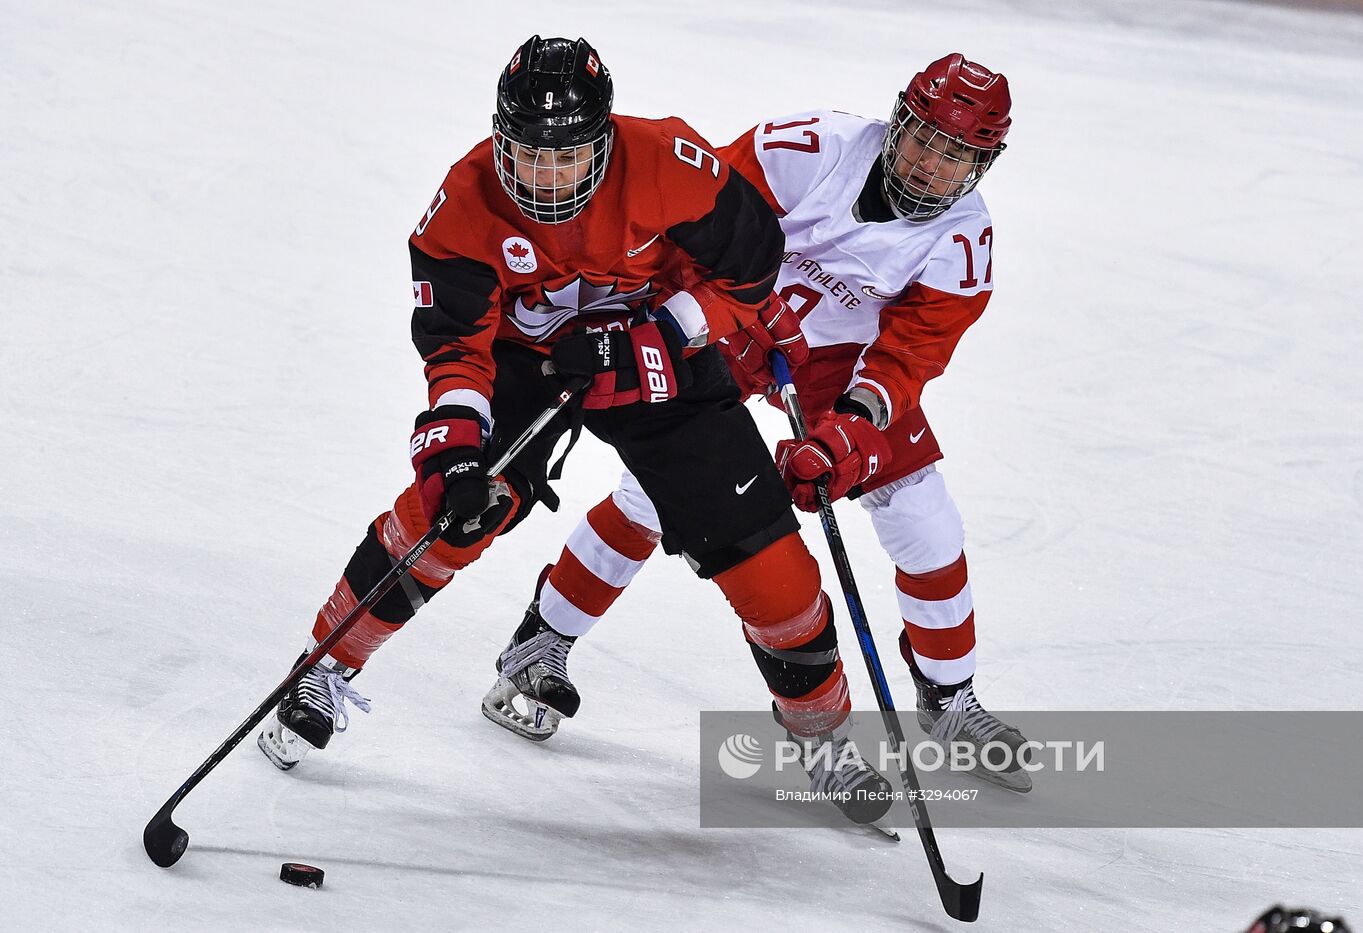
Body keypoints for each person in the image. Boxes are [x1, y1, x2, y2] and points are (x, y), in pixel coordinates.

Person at [256, 35, 892, 825]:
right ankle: (323, 664)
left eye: (566, 157)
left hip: (653, 345)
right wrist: (454, 454)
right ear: (499, 139)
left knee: (773, 571)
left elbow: (753, 267)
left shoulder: (666, 159)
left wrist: (665, 333)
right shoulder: (460, 208)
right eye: (526, 156)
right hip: (528, 360)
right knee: (451, 513)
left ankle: (822, 733)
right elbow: (457, 350)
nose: (545, 178)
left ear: (604, 140)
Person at [484, 53, 1032, 792]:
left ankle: (949, 695)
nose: (931, 165)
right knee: (657, 494)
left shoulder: (964, 244)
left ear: (983, 164)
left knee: (922, 511)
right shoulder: (805, 149)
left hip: (833, 360)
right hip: (727, 317)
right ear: (896, 120)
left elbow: (907, 357)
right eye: (923, 139)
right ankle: (542, 639)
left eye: (956, 154)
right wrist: (712, 313)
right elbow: (694, 222)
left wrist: (851, 431)